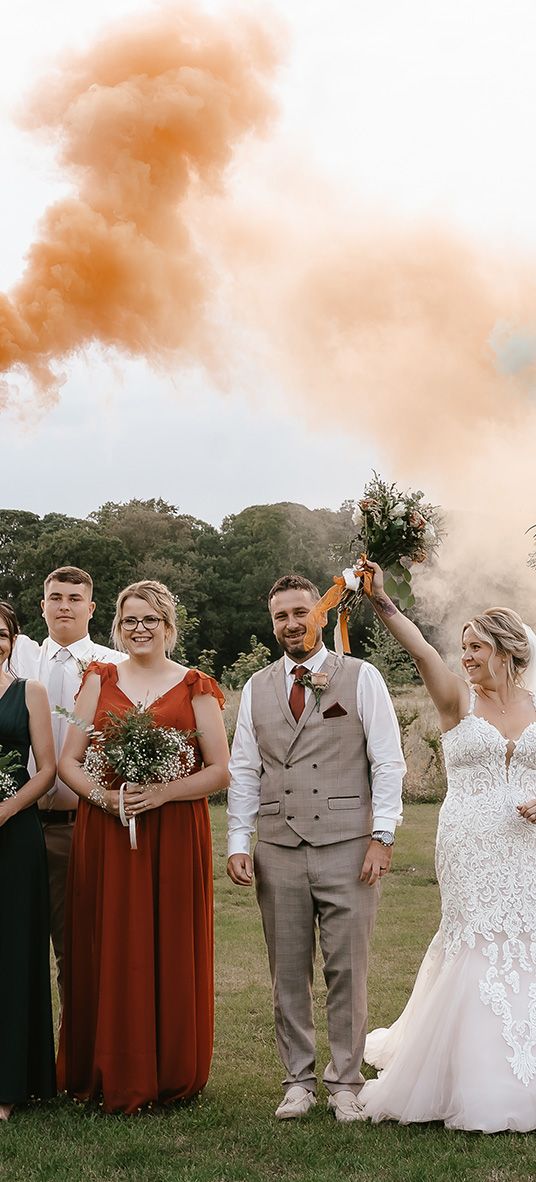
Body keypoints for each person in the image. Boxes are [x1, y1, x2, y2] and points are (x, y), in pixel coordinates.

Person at [358, 561, 536, 1133]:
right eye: (463, 646)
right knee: (477, 937)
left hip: (527, 844)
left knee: (524, 937)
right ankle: (469, 1076)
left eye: (477, 646)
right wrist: (383, 603)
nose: (466, 655)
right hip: (470, 841)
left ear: (507, 650)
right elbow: (422, 656)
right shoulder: (458, 700)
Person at [227, 573, 405, 1122]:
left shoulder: (362, 676)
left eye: (300, 612)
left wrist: (383, 835)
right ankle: (297, 1081)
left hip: (349, 846)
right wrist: (239, 839)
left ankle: (345, 1083)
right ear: (272, 622)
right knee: (287, 970)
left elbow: (388, 759)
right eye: (280, 615)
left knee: (347, 969)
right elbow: (243, 769)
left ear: (320, 615)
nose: (291, 623)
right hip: (278, 845)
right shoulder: (256, 687)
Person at [57, 579, 230, 1113]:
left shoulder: (197, 685)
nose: (138, 629)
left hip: (174, 833)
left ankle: (171, 1069)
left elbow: (220, 771)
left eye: (149, 620)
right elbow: (67, 760)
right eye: (129, 619)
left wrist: (161, 794)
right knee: (106, 941)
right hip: (107, 831)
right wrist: (104, 798)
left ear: (168, 627)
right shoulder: (99, 678)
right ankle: (107, 1065)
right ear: (116, 625)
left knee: (170, 941)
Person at [10, 565, 125, 1003]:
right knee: (16, 952)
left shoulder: (114, 667)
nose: (64, 606)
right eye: (56, 597)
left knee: (79, 957)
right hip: (17, 824)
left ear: (91, 608)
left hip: (82, 825)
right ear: (42, 606)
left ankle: (76, 1064)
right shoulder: (17, 663)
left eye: (74, 599)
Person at [0, 601, 57, 1121]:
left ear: (14, 639)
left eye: (1, 633)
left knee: (15, 952)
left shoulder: (30, 693)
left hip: (15, 835)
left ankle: (10, 1083)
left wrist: (8, 808)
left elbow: (47, 769)